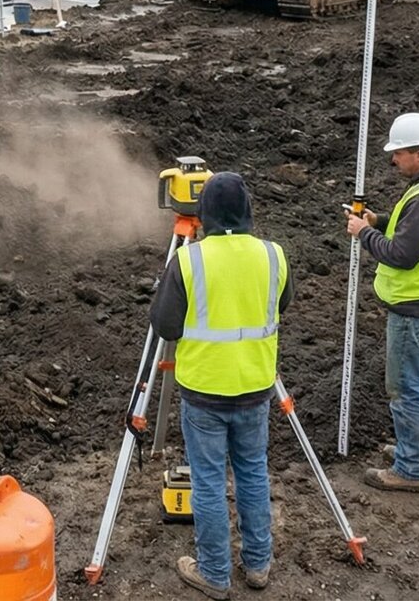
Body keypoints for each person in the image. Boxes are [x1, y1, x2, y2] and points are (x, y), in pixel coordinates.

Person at [149, 172, 292, 598]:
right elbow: (280, 302)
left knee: (208, 482)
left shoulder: (189, 259)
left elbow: (166, 324)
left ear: (203, 213)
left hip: (204, 391)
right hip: (255, 386)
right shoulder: (273, 255)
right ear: (248, 210)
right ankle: (258, 565)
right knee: (252, 474)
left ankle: (213, 572)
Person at [345, 112, 419, 492]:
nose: (393, 160)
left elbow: (402, 254)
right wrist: (379, 220)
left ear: (418, 153)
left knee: (407, 387)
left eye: (398, 153)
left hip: (415, 310)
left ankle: (410, 468)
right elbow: (413, 232)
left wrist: (364, 233)